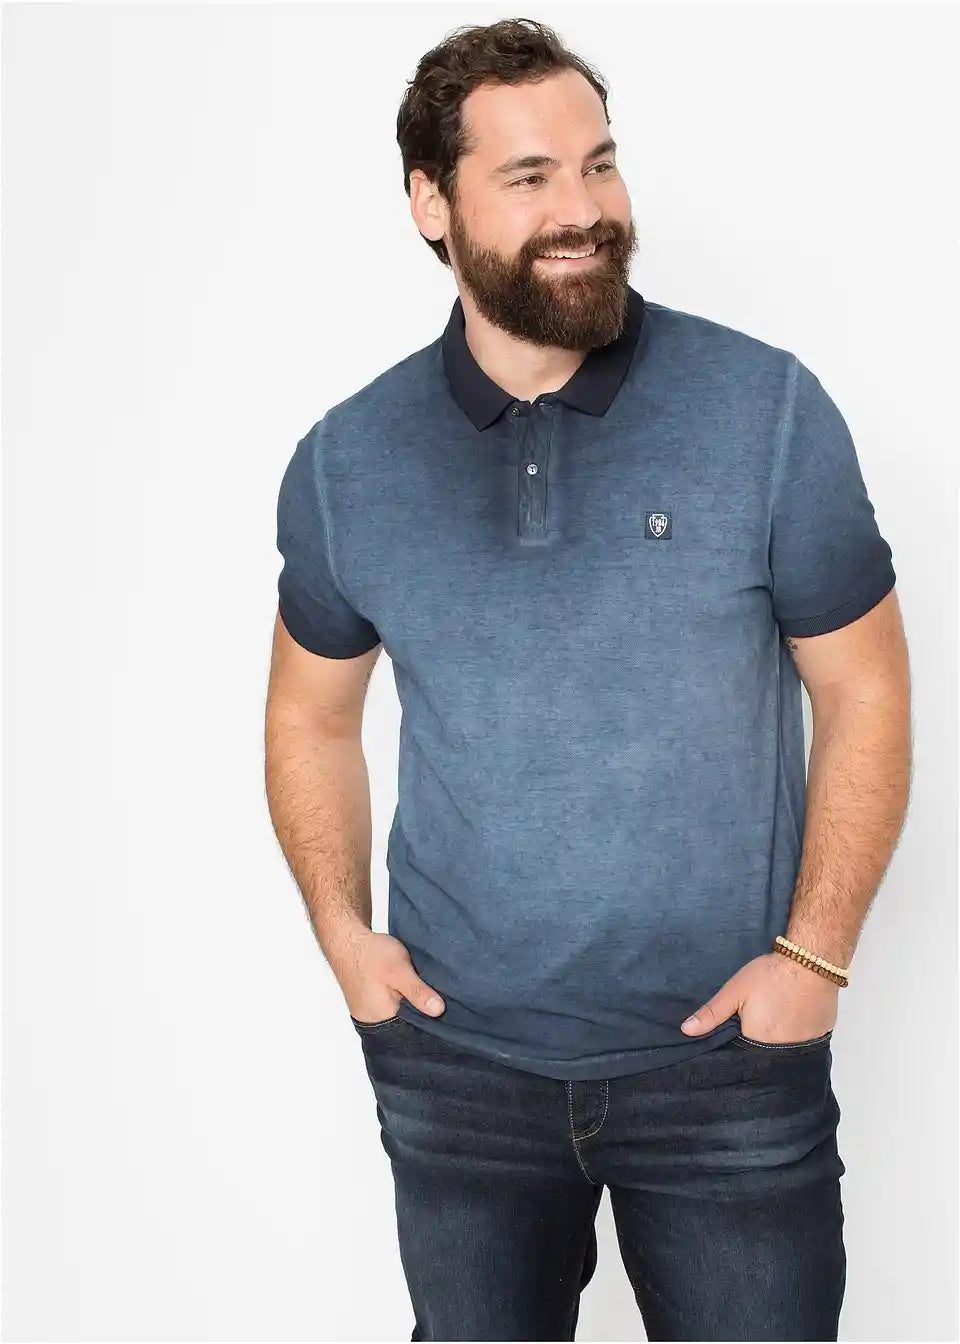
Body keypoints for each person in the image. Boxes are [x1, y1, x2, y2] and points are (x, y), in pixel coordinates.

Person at [264, 17, 911, 1342]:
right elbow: (308, 714)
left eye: (599, 164)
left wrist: (814, 960)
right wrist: (344, 936)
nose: (586, 210)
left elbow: (866, 691)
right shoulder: (348, 462)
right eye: (531, 177)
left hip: (728, 1070)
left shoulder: (766, 411)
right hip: (458, 1073)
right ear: (431, 205)